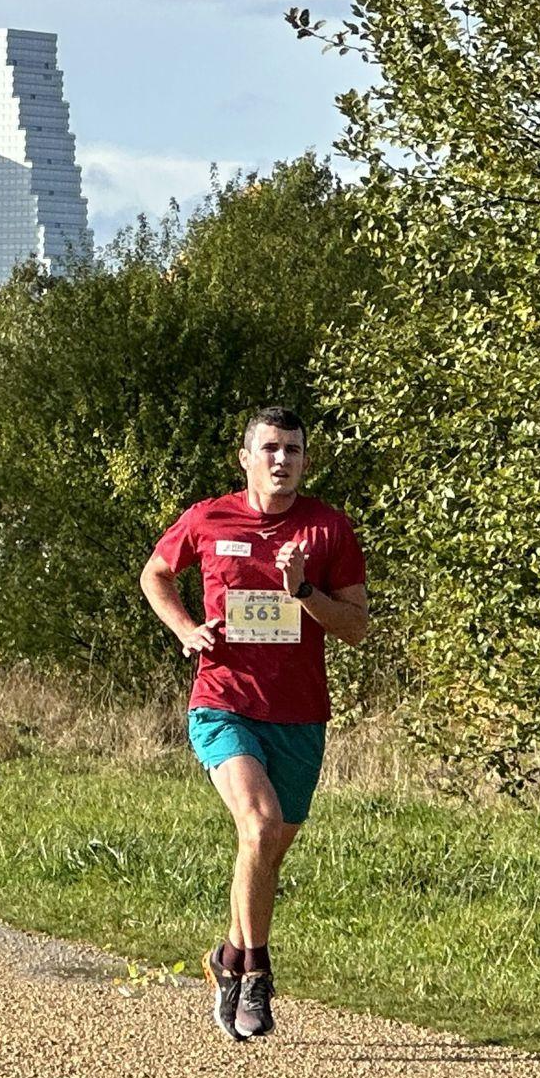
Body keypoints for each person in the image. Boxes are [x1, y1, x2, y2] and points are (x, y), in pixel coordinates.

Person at [140, 406, 368, 1041]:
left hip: (299, 716)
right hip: (223, 702)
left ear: (305, 461)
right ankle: (257, 975)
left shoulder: (329, 530)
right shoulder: (209, 517)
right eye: (269, 448)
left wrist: (303, 592)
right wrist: (186, 629)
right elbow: (155, 574)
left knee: (265, 849)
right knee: (259, 823)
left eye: (293, 450)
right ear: (246, 458)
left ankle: (227, 956)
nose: (281, 460)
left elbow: (355, 627)